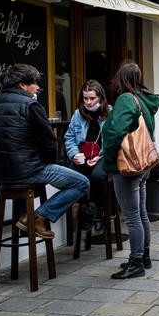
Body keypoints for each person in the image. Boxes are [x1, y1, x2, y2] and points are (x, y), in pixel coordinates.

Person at [0, 64, 90, 239]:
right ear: (22, 85)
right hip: (27, 172)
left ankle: (25, 219)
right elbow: (49, 142)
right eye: (35, 83)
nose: (37, 87)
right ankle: (36, 217)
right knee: (81, 183)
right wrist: (47, 162)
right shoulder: (30, 105)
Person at [102, 62, 159, 279]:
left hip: (127, 166)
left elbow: (115, 133)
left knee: (132, 216)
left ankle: (136, 263)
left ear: (121, 79)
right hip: (143, 164)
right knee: (141, 213)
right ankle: (144, 257)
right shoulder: (144, 100)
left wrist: (108, 161)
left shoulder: (126, 99)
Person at [64, 80, 111, 231]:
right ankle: (85, 209)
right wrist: (74, 154)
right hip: (83, 156)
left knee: (97, 176)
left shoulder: (109, 112)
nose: (88, 102)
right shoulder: (78, 114)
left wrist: (100, 156)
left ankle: (98, 208)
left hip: (102, 155)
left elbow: (114, 140)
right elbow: (69, 138)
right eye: (85, 98)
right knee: (73, 176)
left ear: (100, 97)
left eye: (92, 98)